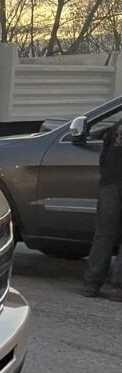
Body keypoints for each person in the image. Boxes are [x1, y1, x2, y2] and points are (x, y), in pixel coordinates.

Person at [83, 119, 122, 299]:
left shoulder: (117, 127)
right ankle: (117, 287)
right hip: (111, 182)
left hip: (110, 183)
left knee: (104, 235)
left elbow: (103, 158)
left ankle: (91, 284)